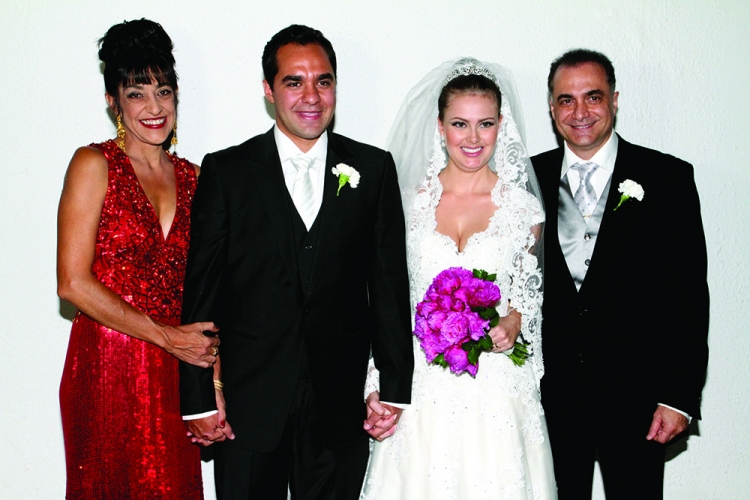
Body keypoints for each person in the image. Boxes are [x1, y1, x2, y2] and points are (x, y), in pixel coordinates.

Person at [178, 24, 414, 499]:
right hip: (249, 406)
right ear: (269, 90)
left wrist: (393, 388)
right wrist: (200, 398)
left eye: (323, 81)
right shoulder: (227, 171)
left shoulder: (373, 169)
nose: (311, 96)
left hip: (341, 405)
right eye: (294, 82)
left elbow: (389, 286)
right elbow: (201, 294)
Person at [361, 58, 557, 499]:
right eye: (459, 124)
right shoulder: (406, 204)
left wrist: (514, 320)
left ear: (501, 125)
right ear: (439, 126)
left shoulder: (522, 208)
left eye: (485, 124)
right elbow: (389, 301)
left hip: (496, 387)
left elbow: (526, 292)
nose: (472, 138)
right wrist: (377, 382)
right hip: (421, 385)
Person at [531, 49, 709, 499]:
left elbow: (689, 297)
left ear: (614, 99)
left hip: (638, 398)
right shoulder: (525, 179)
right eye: (566, 100)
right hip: (549, 399)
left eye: (592, 97)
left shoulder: (667, 178)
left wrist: (679, 396)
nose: (580, 112)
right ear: (551, 108)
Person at [57, 19, 219, 499]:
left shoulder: (196, 178)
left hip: (177, 372)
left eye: (163, 91)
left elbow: (210, 290)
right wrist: (166, 336)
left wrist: (215, 383)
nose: (154, 107)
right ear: (114, 102)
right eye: (136, 94)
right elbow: (72, 283)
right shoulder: (93, 164)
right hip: (106, 366)